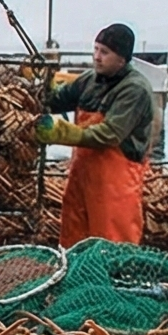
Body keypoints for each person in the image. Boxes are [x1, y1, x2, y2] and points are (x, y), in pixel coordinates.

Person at [38, 22, 158, 246]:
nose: (97, 57)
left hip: (115, 187)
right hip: (82, 177)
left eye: (105, 52)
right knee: (75, 243)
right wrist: (38, 86)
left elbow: (110, 134)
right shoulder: (89, 80)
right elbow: (55, 101)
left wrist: (64, 133)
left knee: (111, 246)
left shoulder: (134, 89)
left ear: (122, 58)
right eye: (95, 49)